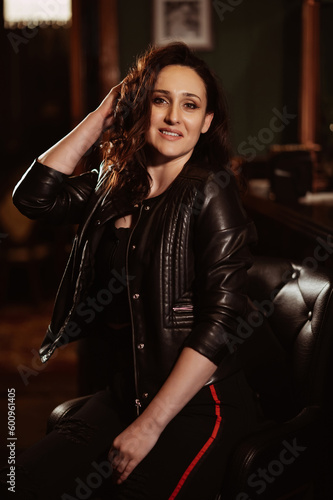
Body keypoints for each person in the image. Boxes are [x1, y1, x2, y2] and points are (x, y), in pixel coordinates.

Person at [1, 42, 286, 500]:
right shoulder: (115, 181)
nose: (174, 116)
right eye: (160, 100)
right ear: (140, 107)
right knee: (21, 481)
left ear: (206, 122)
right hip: (125, 390)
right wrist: (101, 114)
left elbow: (221, 321)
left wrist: (149, 427)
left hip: (199, 405)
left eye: (190, 105)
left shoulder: (211, 191)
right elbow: (34, 198)